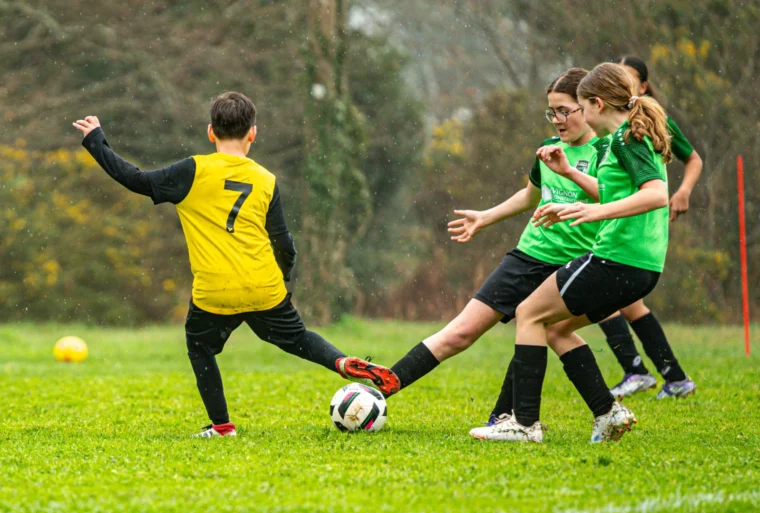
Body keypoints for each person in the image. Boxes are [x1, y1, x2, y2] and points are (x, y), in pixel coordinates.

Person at [72, 92, 400, 438]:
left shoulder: (192, 171)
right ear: (253, 133)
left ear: (210, 132)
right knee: (298, 338)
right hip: (263, 284)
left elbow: (135, 179)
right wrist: (283, 278)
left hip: (216, 289)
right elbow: (284, 243)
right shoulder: (266, 179)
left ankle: (223, 426)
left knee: (200, 347)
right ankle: (340, 361)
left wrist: (96, 141)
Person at [385, 68, 616, 438]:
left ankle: (535, 419)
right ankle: (377, 391)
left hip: (575, 264)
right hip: (528, 256)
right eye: (552, 112)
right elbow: (530, 196)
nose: (557, 120)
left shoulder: (607, 150)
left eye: (565, 111)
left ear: (589, 107)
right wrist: (485, 217)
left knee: (549, 330)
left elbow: (615, 199)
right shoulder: (548, 149)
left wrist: (572, 174)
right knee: (460, 332)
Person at [469, 62, 675, 443]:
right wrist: (571, 187)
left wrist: (595, 212)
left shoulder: (625, 140)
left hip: (617, 258)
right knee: (557, 329)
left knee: (529, 312)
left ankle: (523, 424)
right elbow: (616, 194)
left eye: (579, 106)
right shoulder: (626, 138)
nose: (570, 116)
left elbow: (656, 195)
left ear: (597, 104)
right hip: (640, 264)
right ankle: (608, 412)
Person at [595, 55, 700, 399]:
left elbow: (691, 160)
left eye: (625, 79)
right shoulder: (611, 130)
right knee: (625, 304)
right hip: (620, 226)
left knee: (610, 301)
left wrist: (683, 191)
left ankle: (642, 371)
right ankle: (668, 375)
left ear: (641, 87)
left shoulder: (648, 123)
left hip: (635, 229)